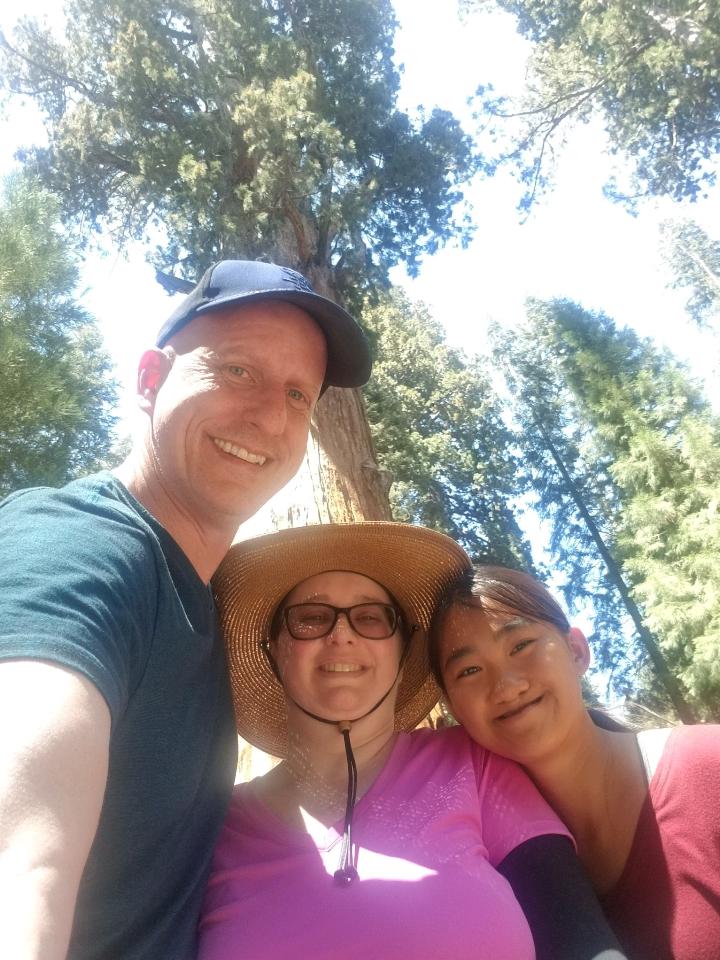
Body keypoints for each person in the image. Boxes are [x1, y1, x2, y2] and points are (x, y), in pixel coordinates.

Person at [0, 259, 372, 960]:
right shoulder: (76, 548)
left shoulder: (220, 615)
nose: (269, 417)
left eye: (299, 395)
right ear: (150, 379)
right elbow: (22, 863)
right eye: (237, 372)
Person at [202, 522, 627, 960]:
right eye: (311, 618)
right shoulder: (211, 828)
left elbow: (577, 933)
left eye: (370, 617)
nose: (342, 634)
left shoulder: (471, 763)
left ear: (404, 650)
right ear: (273, 649)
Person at [430, 564, 720, 960]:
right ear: (452, 711)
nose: (506, 686)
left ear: (576, 651)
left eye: (520, 645)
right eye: (470, 670)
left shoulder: (707, 766)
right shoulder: (493, 876)